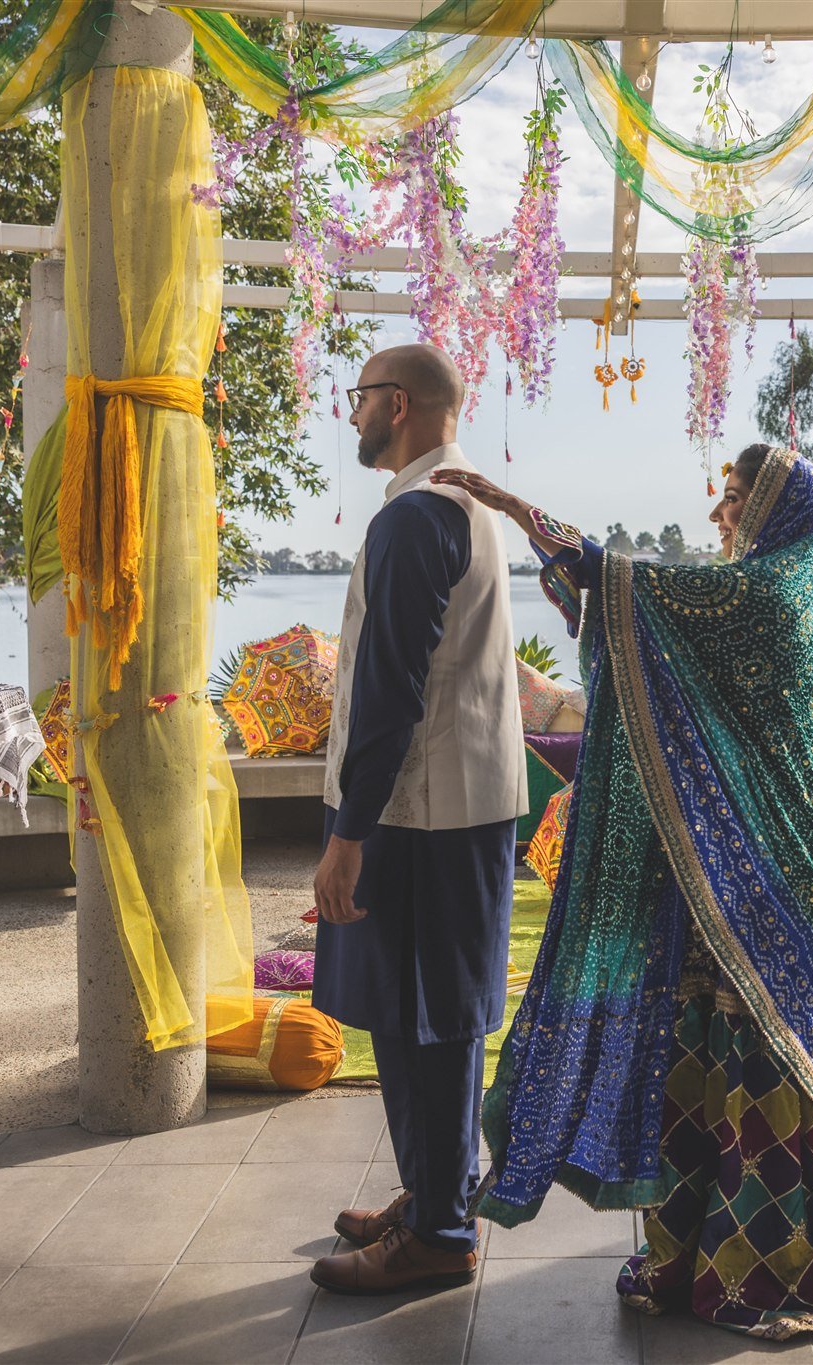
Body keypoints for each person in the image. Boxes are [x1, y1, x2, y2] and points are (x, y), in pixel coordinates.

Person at [431, 444, 813, 1338]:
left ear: (775, 511)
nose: (720, 514)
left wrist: (523, 511)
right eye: (723, 497)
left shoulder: (771, 592)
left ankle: (778, 1252)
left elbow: (639, 591)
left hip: (764, 873)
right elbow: (646, 612)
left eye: (736, 498)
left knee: (761, 1045)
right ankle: (696, 1247)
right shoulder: (770, 588)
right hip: (725, 865)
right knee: (706, 1037)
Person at [309, 343, 526, 1296]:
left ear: (397, 404)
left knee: (424, 1019)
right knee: (432, 1014)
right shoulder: (468, 503)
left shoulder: (415, 517)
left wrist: (348, 835)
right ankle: (436, 1193)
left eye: (360, 398)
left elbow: (390, 690)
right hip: (462, 802)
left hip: (420, 812)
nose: (352, 414)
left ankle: (438, 1232)